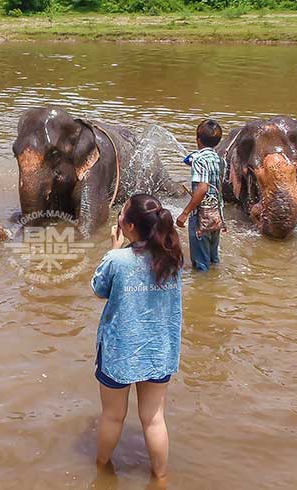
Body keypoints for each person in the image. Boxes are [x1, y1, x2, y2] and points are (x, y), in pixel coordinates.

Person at [91, 194, 183, 483]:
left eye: (121, 215)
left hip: (120, 350)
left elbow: (98, 289)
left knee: (113, 416)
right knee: (154, 418)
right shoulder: (173, 258)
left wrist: (114, 248)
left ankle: (102, 471)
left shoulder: (117, 260)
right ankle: (161, 478)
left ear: (129, 227)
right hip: (159, 349)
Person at [175, 119, 226, 271]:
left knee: (200, 263)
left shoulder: (198, 160)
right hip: (216, 215)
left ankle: (203, 289)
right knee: (213, 258)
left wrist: (185, 213)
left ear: (198, 139)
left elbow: (202, 188)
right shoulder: (220, 160)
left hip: (201, 216)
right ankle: (215, 285)